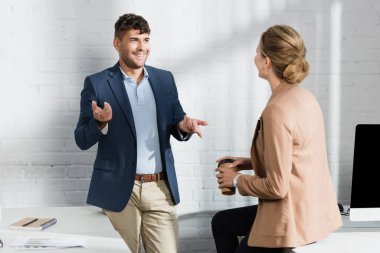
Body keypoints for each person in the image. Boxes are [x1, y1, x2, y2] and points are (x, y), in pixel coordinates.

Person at [74, 13, 207, 253]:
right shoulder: (98, 83)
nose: (142, 47)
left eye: (146, 40)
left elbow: (176, 121)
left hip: (160, 188)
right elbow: (81, 139)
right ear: (117, 43)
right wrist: (100, 124)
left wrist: (184, 126)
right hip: (119, 190)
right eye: (134, 40)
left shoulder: (165, 79)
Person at [212, 25, 342, 253]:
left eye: (257, 52)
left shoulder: (276, 110)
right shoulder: (304, 97)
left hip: (289, 220)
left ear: (267, 61)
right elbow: (298, 156)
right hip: (312, 213)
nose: (254, 57)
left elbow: (276, 187)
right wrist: (248, 162)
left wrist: (235, 180)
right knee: (222, 223)